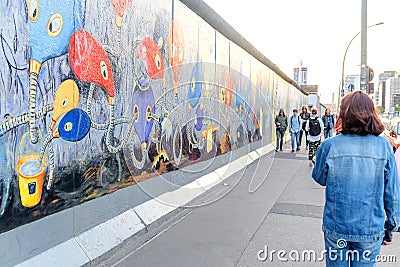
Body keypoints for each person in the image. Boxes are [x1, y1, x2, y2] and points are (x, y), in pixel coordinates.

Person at [312, 91, 400, 266]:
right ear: (371, 114)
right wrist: (391, 226)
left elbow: (320, 178)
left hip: (336, 226)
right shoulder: (384, 146)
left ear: (344, 114)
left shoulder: (329, 146)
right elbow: (392, 193)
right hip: (370, 228)